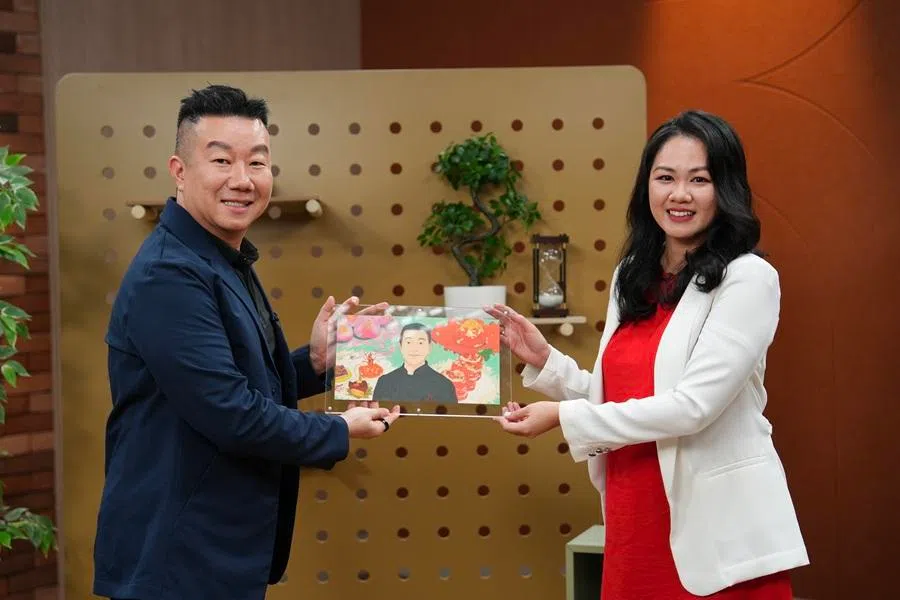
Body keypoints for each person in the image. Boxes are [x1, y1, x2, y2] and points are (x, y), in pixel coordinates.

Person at [93, 84, 401, 600]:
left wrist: (318, 362)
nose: (242, 180)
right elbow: (231, 413)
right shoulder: (169, 274)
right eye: (221, 161)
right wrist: (338, 428)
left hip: (213, 553)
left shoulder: (219, 258)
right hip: (176, 556)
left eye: (257, 163)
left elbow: (237, 379)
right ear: (180, 171)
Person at [487, 110, 809, 599]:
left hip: (717, 541)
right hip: (633, 521)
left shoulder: (749, 279)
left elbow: (692, 406)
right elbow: (625, 394)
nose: (679, 194)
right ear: (647, 188)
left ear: (726, 189)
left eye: (699, 179)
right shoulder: (630, 275)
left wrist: (563, 417)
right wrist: (547, 363)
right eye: (665, 178)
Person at [372, 322, 457, 403]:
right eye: (408, 342)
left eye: (420, 343)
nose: (414, 348)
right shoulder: (385, 382)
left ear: (430, 347)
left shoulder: (444, 385)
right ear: (400, 346)